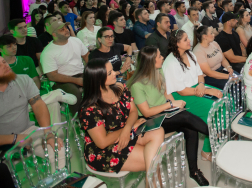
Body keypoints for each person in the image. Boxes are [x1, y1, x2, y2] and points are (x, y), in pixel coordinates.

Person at [0, 55, 65, 169]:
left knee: (58, 149)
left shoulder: (23, 80)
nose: (5, 66)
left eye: (4, 62)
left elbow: (38, 105)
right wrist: (14, 138)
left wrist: (48, 133)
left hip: (27, 131)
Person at [127, 47, 210, 185]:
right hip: (150, 120)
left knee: (191, 128)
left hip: (165, 111)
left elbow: (165, 93)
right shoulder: (137, 85)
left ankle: (194, 172)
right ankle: (212, 133)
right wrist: (170, 105)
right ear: (150, 62)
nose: (162, 58)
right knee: (186, 118)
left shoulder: (158, 71)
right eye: (159, 57)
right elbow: (147, 112)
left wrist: (173, 104)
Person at [79, 59, 164, 174]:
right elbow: (102, 142)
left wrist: (128, 128)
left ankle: (150, 184)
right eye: (110, 73)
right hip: (103, 150)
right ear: (98, 79)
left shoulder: (120, 88)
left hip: (127, 132)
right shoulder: (89, 109)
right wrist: (127, 129)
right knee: (154, 160)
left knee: (158, 131)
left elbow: (133, 111)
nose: (115, 73)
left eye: (113, 70)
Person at [162, 30, 223, 161]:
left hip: (196, 88)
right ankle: (206, 151)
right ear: (176, 43)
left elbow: (200, 74)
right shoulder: (171, 62)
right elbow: (181, 91)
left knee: (223, 98)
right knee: (213, 108)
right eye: (185, 39)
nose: (189, 40)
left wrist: (202, 84)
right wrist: (206, 91)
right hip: (182, 96)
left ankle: (220, 138)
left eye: (187, 38)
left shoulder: (190, 54)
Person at [40, 21, 89, 114]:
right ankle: (79, 120)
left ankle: (97, 113)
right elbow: (52, 76)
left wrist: (91, 71)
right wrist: (76, 80)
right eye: (62, 29)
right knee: (75, 94)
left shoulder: (76, 41)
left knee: (100, 84)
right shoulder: (48, 52)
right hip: (61, 81)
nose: (66, 30)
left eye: (66, 28)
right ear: (54, 34)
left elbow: (86, 56)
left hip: (81, 74)